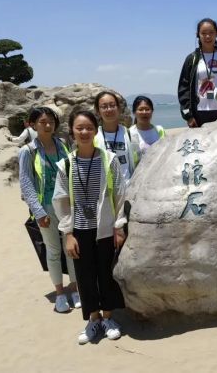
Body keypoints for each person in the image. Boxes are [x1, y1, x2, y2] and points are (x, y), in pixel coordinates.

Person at [53, 110, 127, 345]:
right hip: (79, 230)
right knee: (85, 276)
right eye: (79, 128)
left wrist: (119, 226)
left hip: (105, 227)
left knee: (106, 274)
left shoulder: (109, 159)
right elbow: (61, 201)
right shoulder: (66, 164)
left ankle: (108, 318)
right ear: (72, 131)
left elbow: (120, 194)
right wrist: (68, 234)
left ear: (96, 130)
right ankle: (93, 319)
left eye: (89, 128)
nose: (84, 132)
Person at [18, 107, 79, 312]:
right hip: (46, 207)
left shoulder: (62, 144)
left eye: (51, 121)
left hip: (67, 205)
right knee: (53, 250)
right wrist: (39, 212)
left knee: (71, 248)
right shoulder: (28, 151)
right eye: (42, 122)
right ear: (32, 124)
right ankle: (60, 293)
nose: (47, 125)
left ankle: (74, 288)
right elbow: (26, 184)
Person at [178, 18, 217, 127]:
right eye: (203, 33)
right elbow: (184, 89)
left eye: (211, 32)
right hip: (199, 113)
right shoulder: (192, 59)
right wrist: (188, 116)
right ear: (198, 35)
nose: (208, 36)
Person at [93, 91, 136, 183]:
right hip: (104, 190)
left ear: (119, 109)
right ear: (98, 112)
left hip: (128, 189)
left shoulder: (129, 134)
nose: (109, 109)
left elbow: (137, 162)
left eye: (112, 105)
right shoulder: (94, 136)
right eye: (104, 107)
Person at [129, 95, 165, 161]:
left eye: (147, 109)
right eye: (140, 109)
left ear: (152, 111)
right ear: (134, 112)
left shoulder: (159, 130)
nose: (144, 112)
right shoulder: (129, 133)